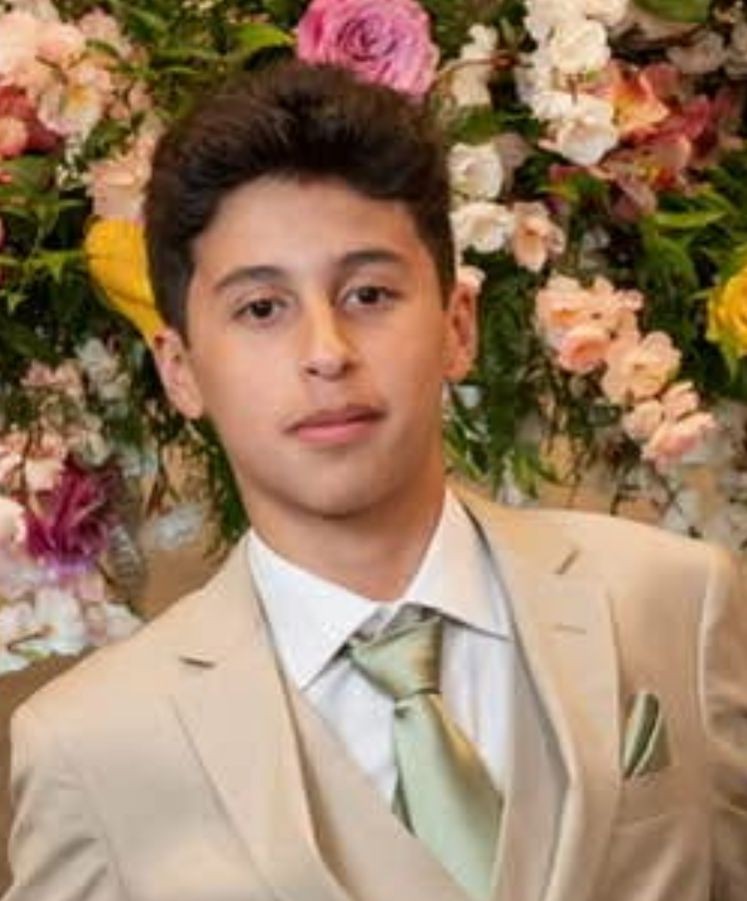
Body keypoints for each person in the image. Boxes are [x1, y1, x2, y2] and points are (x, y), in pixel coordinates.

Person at [3, 60, 747, 901]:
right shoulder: (89, 747)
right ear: (180, 370)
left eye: (367, 293)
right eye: (261, 308)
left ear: (456, 325)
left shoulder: (675, 603)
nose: (326, 352)